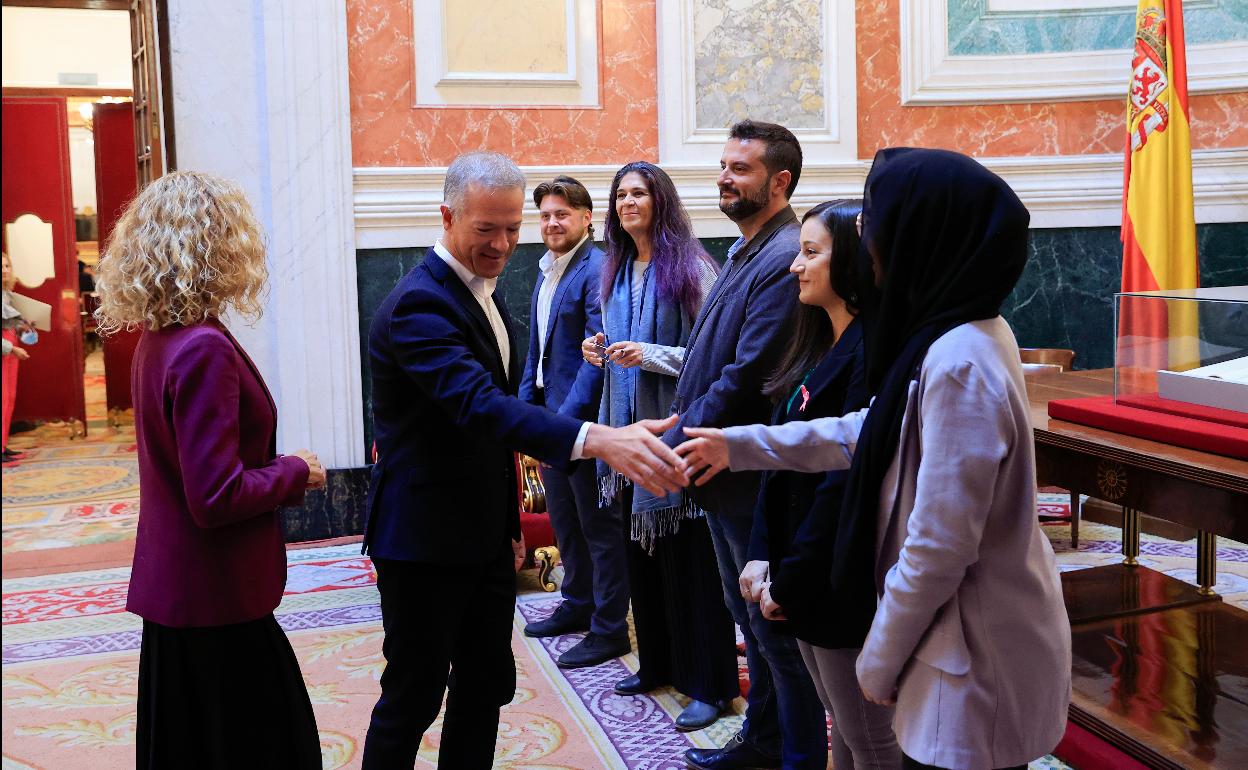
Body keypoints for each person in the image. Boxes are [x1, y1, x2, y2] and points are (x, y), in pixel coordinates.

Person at [678, 148, 1073, 770]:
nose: (866, 237)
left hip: (972, 647)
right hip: (954, 638)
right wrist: (741, 445)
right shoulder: (949, 333)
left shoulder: (962, 358)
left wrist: (878, 656)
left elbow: (940, 544)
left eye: (876, 221)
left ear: (922, 235)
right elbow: (873, 430)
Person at [361, 151, 688, 770]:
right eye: (487, 229)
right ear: (447, 216)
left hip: (480, 535)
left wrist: (508, 529)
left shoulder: (484, 291)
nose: (504, 243)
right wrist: (599, 439)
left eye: (514, 227)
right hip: (423, 541)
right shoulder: (418, 305)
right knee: (414, 695)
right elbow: (482, 407)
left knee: (486, 686)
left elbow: (490, 433)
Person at [92, 171, 328, 770]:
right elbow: (215, 495)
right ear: (215, 246)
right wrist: (295, 471)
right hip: (213, 596)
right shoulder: (201, 346)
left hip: (182, 592)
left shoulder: (161, 338)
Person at [665, 120, 827, 770]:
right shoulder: (743, 250)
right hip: (717, 472)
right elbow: (709, 362)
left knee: (774, 633)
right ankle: (763, 744)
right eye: (724, 165)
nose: (725, 178)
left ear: (780, 181)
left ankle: (795, 756)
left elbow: (747, 376)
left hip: (748, 476)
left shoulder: (785, 252)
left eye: (741, 169)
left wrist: (671, 441)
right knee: (751, 626)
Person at [740, 199, 900, 770]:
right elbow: (781, 458)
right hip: (797, 567)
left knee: (869, 739)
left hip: (834, 573)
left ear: (852, 262)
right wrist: (761, 554)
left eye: (811, 253)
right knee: (842, 727)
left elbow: (843, 483)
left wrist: (791, 575)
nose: (794, 266)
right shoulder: (818, 343)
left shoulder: (873, 355)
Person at [579, 161, 738, 731]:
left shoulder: (691, 267)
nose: (627, 203)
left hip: (677, 436)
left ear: (660, 201)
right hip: (629, 437)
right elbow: (623, 344)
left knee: (693, 571)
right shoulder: (616, 270)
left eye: (639, 193)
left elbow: (711, 355)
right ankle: (659, 664)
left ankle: (709, 684)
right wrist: (602, 348)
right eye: (620, 194)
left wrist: (644, 354)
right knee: (643, 563)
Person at [517, 175, 630, 670]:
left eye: (562, 213)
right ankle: (577, 603)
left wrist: (564, 426)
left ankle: (609, 628)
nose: (551, 222)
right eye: (544, 215)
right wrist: (526, 416)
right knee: (565, 522)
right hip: (548, 416)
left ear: (587, 218)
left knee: (598, 527)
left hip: (582, 422)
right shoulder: (547, 270)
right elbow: (536, 351)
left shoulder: (597, 268)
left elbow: (596, 356)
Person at [2, 251, 33, 464]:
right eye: (1, 267)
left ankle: (2, 445)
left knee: (8, 398)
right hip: (5, 349)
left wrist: (24, 327)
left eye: (6, 266)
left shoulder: (6, 293)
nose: (5, 270)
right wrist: (11, 349)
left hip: (11, 347)